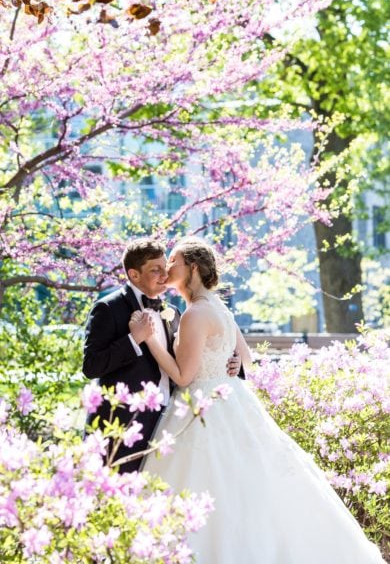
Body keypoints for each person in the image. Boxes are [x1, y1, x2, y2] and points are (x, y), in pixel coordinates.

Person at [137, 238, 384, 564]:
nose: (168, 268)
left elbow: (183, 377)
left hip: (202, 410)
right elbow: (247, 356)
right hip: (232, 402)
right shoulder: (219, 307)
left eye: (174, 261)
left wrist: (152, 341)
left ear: (192, 268)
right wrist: (233, 363)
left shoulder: (195, 314)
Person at [82, 237, 240, 472]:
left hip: (168, 423)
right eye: (155, 270)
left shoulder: (174, 312)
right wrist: (133, 339)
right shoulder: (109, 308)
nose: (164, 275)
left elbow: (189, 360)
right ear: (134, 275)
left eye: (164, 267)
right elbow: (91, 366)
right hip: (123, 424)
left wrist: (232, 361)